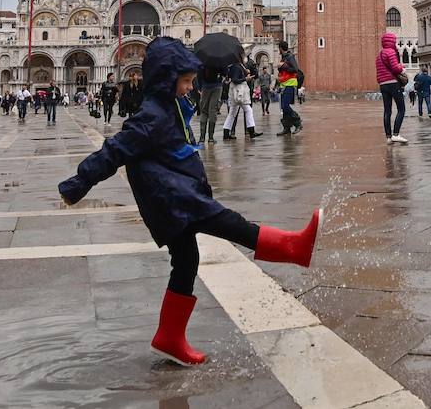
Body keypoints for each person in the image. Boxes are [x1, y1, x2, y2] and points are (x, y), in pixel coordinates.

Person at [59, 38, 323, 366]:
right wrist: (77, 183)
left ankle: (169, 338)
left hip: (176, 192)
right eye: (184, 81)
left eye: (190, 81)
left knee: (186, 261)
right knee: (230, 223)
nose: (189, 87)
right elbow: (114, 151)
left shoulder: (170, 106)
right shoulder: (151, 116)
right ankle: (291, 248)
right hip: (172, 198)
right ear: (166, 80)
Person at [376, 32, 410, 145]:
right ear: (392, 41)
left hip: (383, 84)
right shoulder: (390, 52)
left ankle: (388, 137)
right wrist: (402, 67)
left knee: (387, 110)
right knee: (401, 109)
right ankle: (396, 134)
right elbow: (395, 68)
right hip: (393, 83)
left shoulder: (379, 55)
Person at [221, 58, 263, 140]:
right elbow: (235, 80)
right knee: (248, 110)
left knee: (232, 113)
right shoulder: (236, 66)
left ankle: (226, 133)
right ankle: (251, 131)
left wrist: (245, 72)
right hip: (239, 92)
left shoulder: (233, 66)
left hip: (234, 91)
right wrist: (246, 79)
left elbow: (231, 78)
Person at [275, 41, 303, 136]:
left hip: (290, 84)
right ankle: (287, 128)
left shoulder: (290, 57)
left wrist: (284, 66)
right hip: (284, 85)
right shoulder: (285, 57)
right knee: (283, 107)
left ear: (280, 48)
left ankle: (297, 121)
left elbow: (295, 69)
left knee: (285, 106)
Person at [195, 63, 225, 145]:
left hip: (205, 87)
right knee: (213, 111)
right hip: (217, 87)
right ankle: (211, 138)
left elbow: (198, 75)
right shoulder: (219, 60)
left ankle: (201, 138)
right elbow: (225, 73)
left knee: (204, 111)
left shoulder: (203, 61)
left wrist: (200, 87)